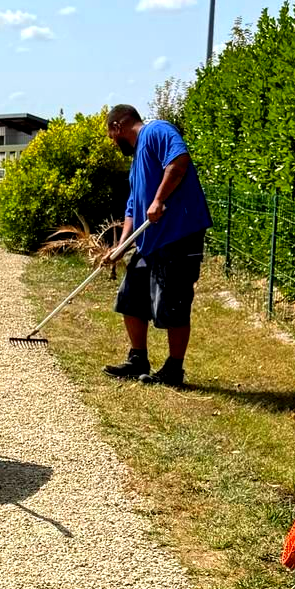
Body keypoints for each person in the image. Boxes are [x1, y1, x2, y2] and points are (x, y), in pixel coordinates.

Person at [102, 104, 212, 388]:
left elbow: (179, 161)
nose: (113, 142)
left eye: (111, 136)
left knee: (174, 303)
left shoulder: (157, 130)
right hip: (148, 242)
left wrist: (159, 199)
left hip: (178, 235)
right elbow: (131, 208)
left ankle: (174, 369)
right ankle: (138, 358)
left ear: (117, 127)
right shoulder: (137, 160)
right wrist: (121, 247)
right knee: (130, 299)